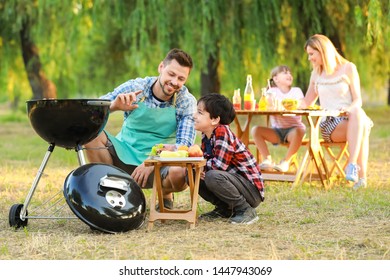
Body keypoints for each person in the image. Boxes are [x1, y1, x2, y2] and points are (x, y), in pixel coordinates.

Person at [84, 48, 197, 207]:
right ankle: (109, 190)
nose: (174, 82)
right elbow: (92, 109)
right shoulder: (136, 88)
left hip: (160, 164)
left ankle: (165, 193)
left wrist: (152, 161)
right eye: (171, 74)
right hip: (124, 154)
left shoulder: (186, 101)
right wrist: (114, 106)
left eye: (181, 78)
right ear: (161, 68)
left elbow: (184, 145)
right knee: (90, 134)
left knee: (180, 173)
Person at [300, 34, 373, 190]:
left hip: (351, 118)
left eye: (312, 54)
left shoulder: (348, 68)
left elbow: (357, 100)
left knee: (359, 116)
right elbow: (306, 102)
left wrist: (348, 109)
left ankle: (355, 170)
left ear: (322, 51)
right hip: (330, 124)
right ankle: (359, 174)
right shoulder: (316, 74)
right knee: (362, 125)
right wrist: (285, 100)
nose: (309, 59)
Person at [193, 93, 264, 224]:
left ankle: (245, 209)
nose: (194, 116)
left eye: (199, 112)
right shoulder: (206, 135)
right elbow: (205, 163)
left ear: (214, 120)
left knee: (211, 175)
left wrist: (201, 166)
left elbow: (219, 166)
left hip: (250, 191)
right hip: (234, 183)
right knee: (193, 173)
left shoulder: (222, 131)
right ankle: (225, 208)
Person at [251, 65, 306, 172]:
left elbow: (302, 105)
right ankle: (267, 160)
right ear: (276, 79)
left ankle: (285, 162)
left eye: (290, 73)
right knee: (256, 130)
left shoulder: (296, 91)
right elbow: (266, 106)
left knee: (300, 131)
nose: (289, 75)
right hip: (277, 131)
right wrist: (269, 100)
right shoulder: (271, 92)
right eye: (285, 73)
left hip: (293, 131)